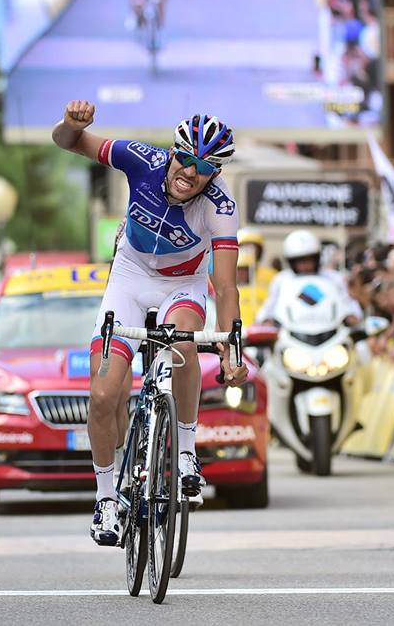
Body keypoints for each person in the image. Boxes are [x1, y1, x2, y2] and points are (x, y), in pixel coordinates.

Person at [52, 100, 248, 546]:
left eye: (205, 166)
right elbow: (69, 143)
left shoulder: (220, 208)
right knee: (103, 394)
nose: (190, 172)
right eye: (186, 158)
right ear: (173, 151)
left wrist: (231, 347)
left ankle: (184, 454)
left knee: (181, 344)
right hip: (130, 277)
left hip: (183, 285)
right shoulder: (140, 158)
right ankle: (106, 501)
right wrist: (70, 124)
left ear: (215, 173)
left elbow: (225, 286)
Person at [256, 229, 362, 326]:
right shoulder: (281, 280)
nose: (304, 265)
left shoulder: (333, 278)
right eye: (299, 261)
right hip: (291, 333)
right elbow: (268, 307)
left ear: (316, 258)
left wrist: (352, 315)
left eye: (309, 259)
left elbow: (348, 303)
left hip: (329, 331)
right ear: (291, 262)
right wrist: (266, 319)